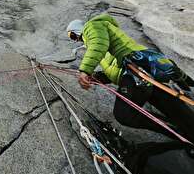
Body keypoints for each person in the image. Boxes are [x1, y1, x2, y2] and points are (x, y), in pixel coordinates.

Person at [66, 13, 194, 143]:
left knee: (124, 114)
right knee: (180, 114)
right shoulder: (103, 43)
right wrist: (98, 77)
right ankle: (187, 137)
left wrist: (85, 70)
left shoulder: (92, 26)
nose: (75, 40)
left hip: (135, 69)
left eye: (72, 36)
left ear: (78, 29)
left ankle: (176, 134)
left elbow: (98, 44)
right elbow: (116, 68)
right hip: (140, 71)